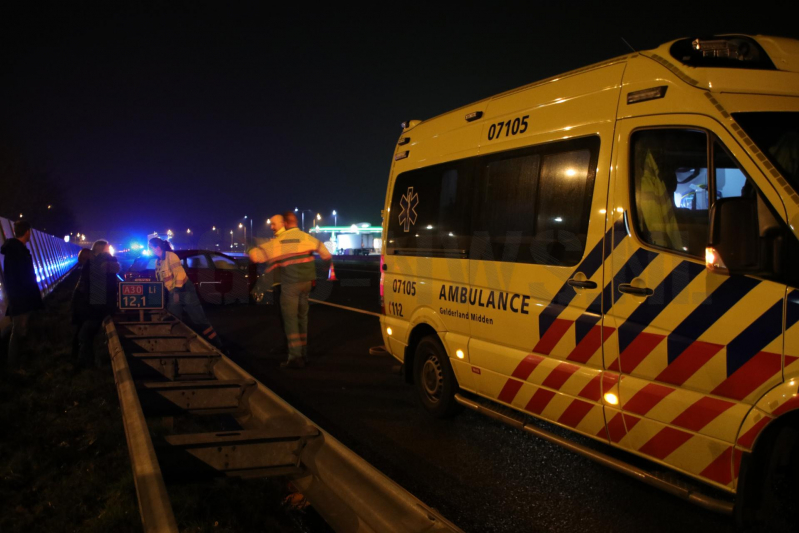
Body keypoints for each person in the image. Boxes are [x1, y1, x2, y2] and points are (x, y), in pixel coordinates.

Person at [250, 212, 332, 368]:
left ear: (285, 224)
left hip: (290, 285)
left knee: (290, 321)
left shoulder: (281, 241)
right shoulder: (307, 237)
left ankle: (295, 357)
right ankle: (304, 352)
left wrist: (250, 248)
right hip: (307, 283)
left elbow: (256, 256)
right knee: (303, 318)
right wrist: (323, 268)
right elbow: (326, 254)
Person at [148, 237, 223, 349]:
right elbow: (162, 281)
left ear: (157, 248)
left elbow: (180, 275)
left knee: (199, 319)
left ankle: (217, 345)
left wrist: (176, 292)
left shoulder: (171, 256)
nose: (150, 250)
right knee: (174, 318)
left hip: (185, 291)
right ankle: (177, 345)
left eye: (151, 248)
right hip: (175, 292)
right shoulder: (158, 262)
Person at [0, 220, 44, 372]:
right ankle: (14, 366)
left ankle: (19, 363)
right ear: (27, 232)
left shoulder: (17, 250)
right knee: (19, 331)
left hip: (22, 298)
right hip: (21, 299)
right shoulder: (16, 252)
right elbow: (17, 278)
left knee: (21, 330)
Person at [75, 240, 120, 370]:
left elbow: (94, 288)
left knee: (86, 335)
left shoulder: (95, 264)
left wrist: (92, 307)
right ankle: (95, 362)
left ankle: (87, 364)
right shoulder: (111, 265)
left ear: (97, 251)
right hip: (105, 305)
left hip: (95, 306)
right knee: (93, 335)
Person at [69, 248, 93, 361]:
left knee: (79, 329)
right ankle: (80, 357)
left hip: (79, 304)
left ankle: (75, 355)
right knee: (83, 331)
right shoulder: (88, 270)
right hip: (83, 305)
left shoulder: (82, 269)